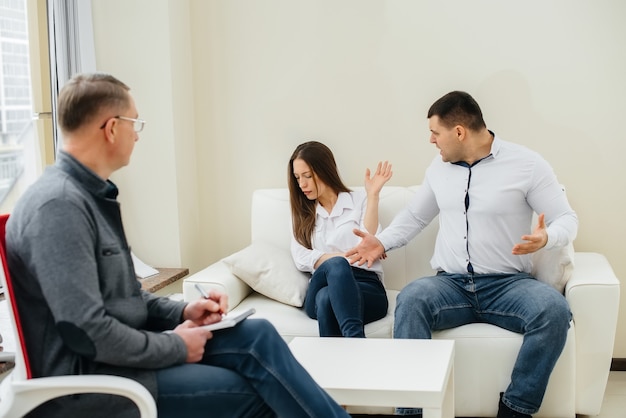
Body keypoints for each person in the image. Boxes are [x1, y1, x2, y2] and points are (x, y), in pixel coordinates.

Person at [5, 73, 350, 418]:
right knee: (262, 391)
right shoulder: (59, 207)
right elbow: (87, 333)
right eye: (134, 123)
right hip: (95, 382)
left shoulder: (90, 198)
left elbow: (128, 297)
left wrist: (184, 312)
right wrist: (174, 346)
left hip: (124, 358)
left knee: (256, 333)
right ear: (111, 128)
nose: (137, 135)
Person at [346, 91, 577, 418]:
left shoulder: (527, 164)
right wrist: (382, 242)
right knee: (412, 299)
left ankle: (515, 409)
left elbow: (567, 219)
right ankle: (411, 413)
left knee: (554, 310)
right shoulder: (439, 169)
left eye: (435, 133)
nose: (431, 140)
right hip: (451, 286)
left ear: (459, 132)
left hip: (508, 286)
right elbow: (415, 216)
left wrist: (547, 237)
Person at [288, 141, 392, 337]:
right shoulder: (300, 213)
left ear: (325, 170)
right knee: (336, 266)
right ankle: (356, 341)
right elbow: (301, 257)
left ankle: (336, 364)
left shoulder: (360, 199)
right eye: (297, 177)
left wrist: (373, 196)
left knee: (327, 300)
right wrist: (345, 257)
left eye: (307, 176)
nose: (301, 184)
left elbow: (371, 242)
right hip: (322, 283)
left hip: (367, 287)